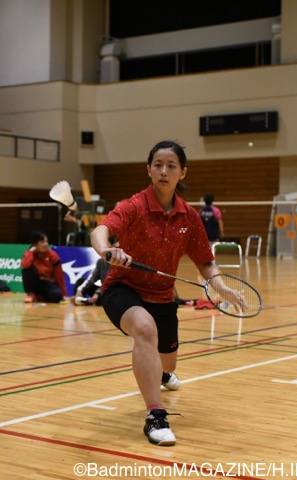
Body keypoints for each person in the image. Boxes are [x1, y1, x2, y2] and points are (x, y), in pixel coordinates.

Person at [90, 140, 246, 447]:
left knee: (168, 364)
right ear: (148, 170)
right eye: (158, 165)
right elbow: (101, 230)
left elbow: (205, 263)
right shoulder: (133, 206)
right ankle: (155, 416)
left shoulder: (189, 217)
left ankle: (160, 374)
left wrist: (222, 287)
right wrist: (106, 249)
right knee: (144, 330)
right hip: (123, 289)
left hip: (162, 296)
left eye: (171, 166)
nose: (164, 171)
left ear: (182, 172)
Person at [72, 235, 119, 306]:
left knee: (108, 296)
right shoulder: (100, 262)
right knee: (80, 282)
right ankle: (81, 300)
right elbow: (92, 279)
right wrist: (80, 290)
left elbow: (111, 283)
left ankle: (90, 301)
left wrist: (97, 293)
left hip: (112, 291)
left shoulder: (118, 261)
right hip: (102, 289)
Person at [21, 231, 67, 303]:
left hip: (48, 283)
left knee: (57, 296)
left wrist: (63, 293)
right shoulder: (29, 253)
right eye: (42, 242)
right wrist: (30, 252)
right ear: (35, 244)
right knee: (27, 270)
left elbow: (59, 275)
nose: (46, 244)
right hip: (35, 283)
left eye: (46, 241)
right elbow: (24, 265)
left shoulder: (52, 255)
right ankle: (31, 294)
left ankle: (40, 296)